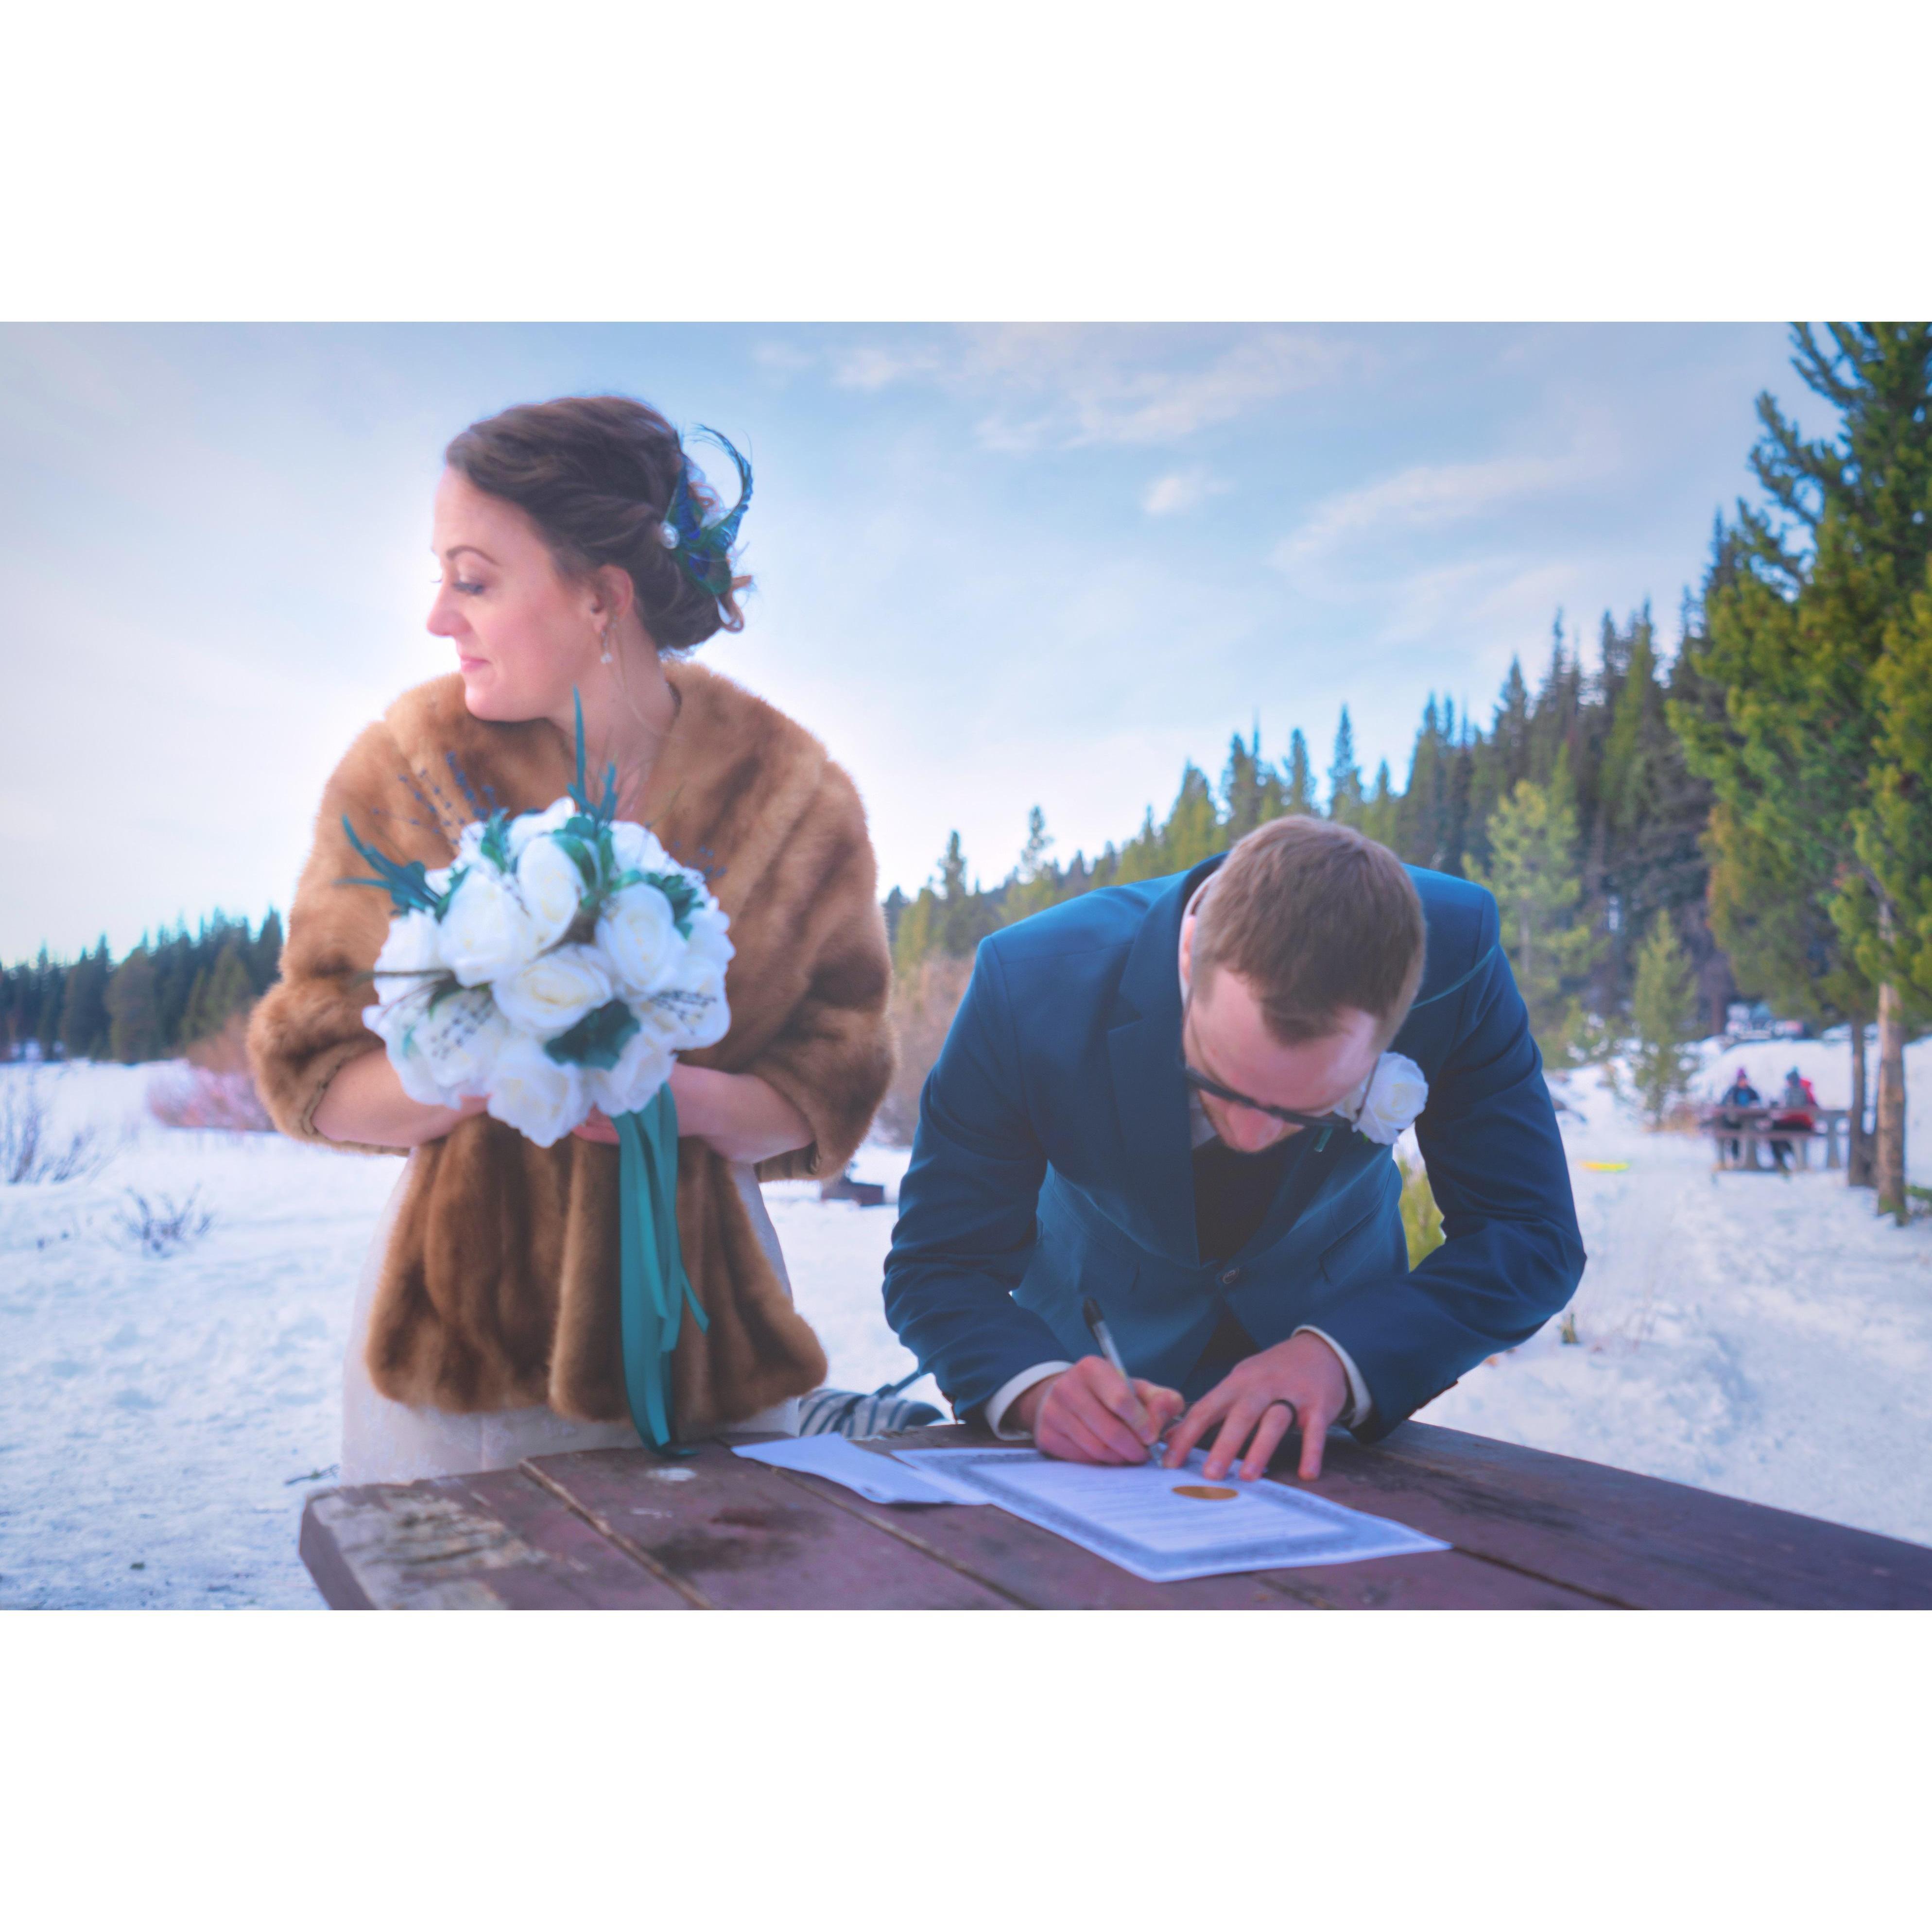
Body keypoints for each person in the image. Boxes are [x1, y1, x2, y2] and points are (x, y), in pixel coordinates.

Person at [248, 395, 915, 1484]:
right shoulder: (404, 770)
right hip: (457, 1379)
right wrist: (497, 1059)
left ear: (602, 597)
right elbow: (310, 1070)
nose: (437, 618)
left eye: (472, 579)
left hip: (716, 1368)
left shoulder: (793, 797)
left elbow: (831, 1083)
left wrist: (669, 1099)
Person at [882, 816, 1586, 1484]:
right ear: (1188, 956)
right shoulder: (1030, 985)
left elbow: (1529, 1235)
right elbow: (939, 1264)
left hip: (1337, 1386)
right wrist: (1033, 1387)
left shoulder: (1456, 964)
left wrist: (1342, 1361)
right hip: (1093, 1367)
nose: (1250, 1140)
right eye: (1216, 1082)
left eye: (1309, 1108)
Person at [1768, 1066, 1818, 1174]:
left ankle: (1783, 1161)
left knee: (1775, 1130)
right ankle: (1784, 1160)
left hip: (1801, 1123)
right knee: (1774, 1131)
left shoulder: (1801, 1091)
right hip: (1799, 1123)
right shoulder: (1803, 1090)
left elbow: (1788, 1108)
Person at [1718, 1068, 1762, 1164]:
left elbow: (1758, 1103)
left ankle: (1750, 1160)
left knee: (1751, 1132)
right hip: (1733, 1121)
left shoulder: (1751, 1092)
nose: (1743, 1082)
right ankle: (1736, 1158)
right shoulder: (1732, 1091)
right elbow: (1724, 1104)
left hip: (1749, 1120)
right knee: (1734, 1136)